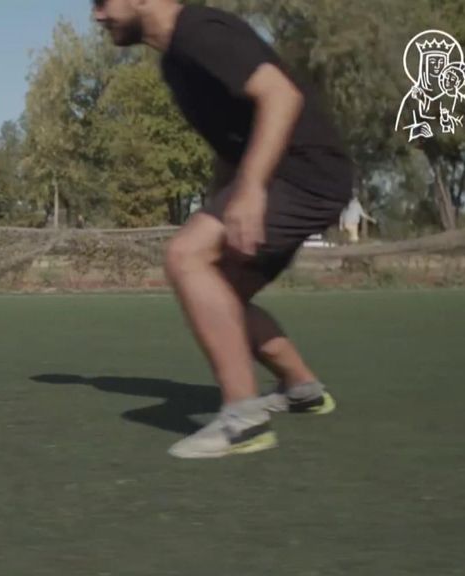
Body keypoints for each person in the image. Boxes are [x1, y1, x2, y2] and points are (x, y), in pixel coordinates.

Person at [93, 0, 352, 458]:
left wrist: (250, 191)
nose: (97, 15)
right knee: (221, 290)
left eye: (101, 1)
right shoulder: (175, 61)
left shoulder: (201, 31)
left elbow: (281, 95)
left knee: (185, 256)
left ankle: (242, 418)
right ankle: (302, 388)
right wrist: (222, 202)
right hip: (291, 178)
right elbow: (229, 145)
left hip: (304, 175)